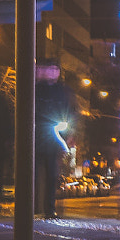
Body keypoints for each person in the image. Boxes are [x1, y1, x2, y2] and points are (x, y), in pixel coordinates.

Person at [35, 62, 69, 219]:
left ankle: (48, 207)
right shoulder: (38, 89)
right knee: (37, 173)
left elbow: (69, 111)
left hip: (50, 137)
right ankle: (40, 206)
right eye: (51, 69)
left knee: (51, 174)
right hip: (41, 136)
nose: (53, 73)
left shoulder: (60, 91)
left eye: (56, 70)